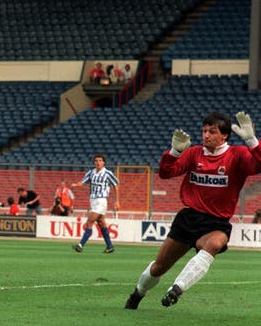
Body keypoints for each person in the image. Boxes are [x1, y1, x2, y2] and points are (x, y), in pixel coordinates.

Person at [125, 111, 261, 309]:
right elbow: (165, 173)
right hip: (189, 218)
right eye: (204, 131)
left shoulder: (237, 155)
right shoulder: (194, 153)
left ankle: (176, 289)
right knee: (158, 267)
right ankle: (138, 293)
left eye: (212, 131)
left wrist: (252, 141)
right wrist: (174, 152)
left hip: (216, 222)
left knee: (215, 243)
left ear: (224, 135)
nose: (206, 135)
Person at [71, 154, 120, 254]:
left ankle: (80, 245)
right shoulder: (91, 173)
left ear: (104, 162)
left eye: (100, 160)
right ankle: (110, 246)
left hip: (101, 201)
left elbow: (116, 185)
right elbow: (83, 182)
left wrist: (117, 201)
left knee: (90, 222)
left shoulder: (107, 173)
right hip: (93, 201)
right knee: (101, 223)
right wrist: (76, 185)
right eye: (96, 161)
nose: (98, 162)